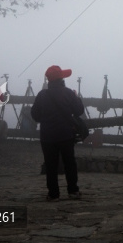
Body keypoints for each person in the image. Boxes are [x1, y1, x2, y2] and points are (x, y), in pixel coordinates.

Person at [30, 65, 85, 201]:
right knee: (69, 163)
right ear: (61, 79)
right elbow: (79, 111)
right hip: (66, 134)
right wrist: (77, 98)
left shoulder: (42, 95)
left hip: (47, 136)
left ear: (49, 81)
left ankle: (53, 193)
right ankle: (73, 190)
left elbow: (35, 115)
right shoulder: (68, 93)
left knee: (50, 165)